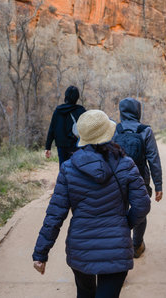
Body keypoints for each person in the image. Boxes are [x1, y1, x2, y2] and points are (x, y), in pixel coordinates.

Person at [33, 110, 151, 298]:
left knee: (85, 294)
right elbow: (143, 205)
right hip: (116, 249)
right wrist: (124, 224)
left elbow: (55, 214)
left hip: (81, 249)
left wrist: (41, 253)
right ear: (109, 133)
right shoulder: (126, 164)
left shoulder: (68, 168)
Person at [113, 97, 163, 258]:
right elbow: (153, 159)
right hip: (141, 178)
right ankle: (136, 246)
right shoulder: (145, 130)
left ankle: (121, 246)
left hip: (118, 180)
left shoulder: (115, 129)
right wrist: (159, 185)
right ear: (138, 111)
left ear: (121, 112)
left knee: (120, 212)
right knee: (140, 211)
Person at [45, 86, 86, 167]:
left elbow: (52, 129)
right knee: (77, 169)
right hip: (77, 145)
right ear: (77, 97)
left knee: (63, 168)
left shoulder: (58, 110)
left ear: (66, 96)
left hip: (61, 146)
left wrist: (48, 147)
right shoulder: (81, 110)